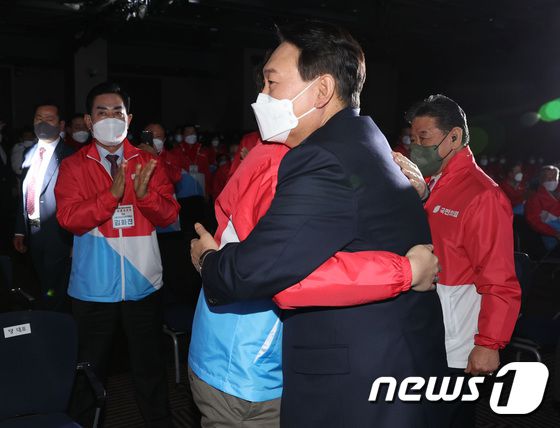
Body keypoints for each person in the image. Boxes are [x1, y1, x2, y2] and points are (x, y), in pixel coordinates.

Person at [191, 21, 447, 427]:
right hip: (390, 362)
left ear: (322, 90)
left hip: (353, 382)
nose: (262, 97)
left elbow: (267, 274)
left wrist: (208, 261)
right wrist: (408, 269)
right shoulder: (366, 142)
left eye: (272, 83)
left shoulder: (319, 159)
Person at [55, 82, 179, 427]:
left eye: (117, 112)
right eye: (102, 112)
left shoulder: (149, 162)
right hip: (92, 288)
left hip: (143, 283)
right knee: (89, 370)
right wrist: (111, 196)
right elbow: (69, 219)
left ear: (129, 119)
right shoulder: (74, 166)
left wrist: (145, 196)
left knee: (150, 367)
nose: (110, 118)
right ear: (88, 120)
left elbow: (169, 215)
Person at [393, 94, 521, 427]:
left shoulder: (483, 195)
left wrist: (489, 344)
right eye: (412, 138)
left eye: (424, 138)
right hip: (426, 332)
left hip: (457, 341)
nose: (416, 147)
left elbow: (499, 277)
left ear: (454, 137)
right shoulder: (431, 184)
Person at [13, 102, 74, 311]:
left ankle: (53, 323)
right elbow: (25, 192)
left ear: (61, 125)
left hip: (59, 235)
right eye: (39, 118)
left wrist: (76, 240)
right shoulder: (29, 153)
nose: (43, 123)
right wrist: (20, 230)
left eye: (49, 119)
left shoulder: (71, 156)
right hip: (34, 232)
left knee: (54, 287)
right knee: (42, 282)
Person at [525, 165, 560, 251]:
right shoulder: (534, 198)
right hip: (549, 234)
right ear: (541, 179)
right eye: (548, 178)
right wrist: (555, 233)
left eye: (554, 178)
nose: (552, 180)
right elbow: (534, 221)